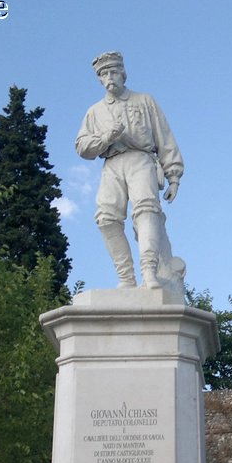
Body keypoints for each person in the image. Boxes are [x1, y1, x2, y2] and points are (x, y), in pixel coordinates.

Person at [76, 51, 184, 288]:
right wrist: (105, 138)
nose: (109, 78)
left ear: (123, 74)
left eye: (113, 72)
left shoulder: (144, 100)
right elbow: (82, 147)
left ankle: (149, 272)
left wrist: (173, 175)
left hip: (141, 159)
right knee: (106, 219)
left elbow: (164, 137)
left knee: (146, 211)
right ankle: (126, 278)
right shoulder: (95, 111)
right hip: (112, 163)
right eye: (104, 74)